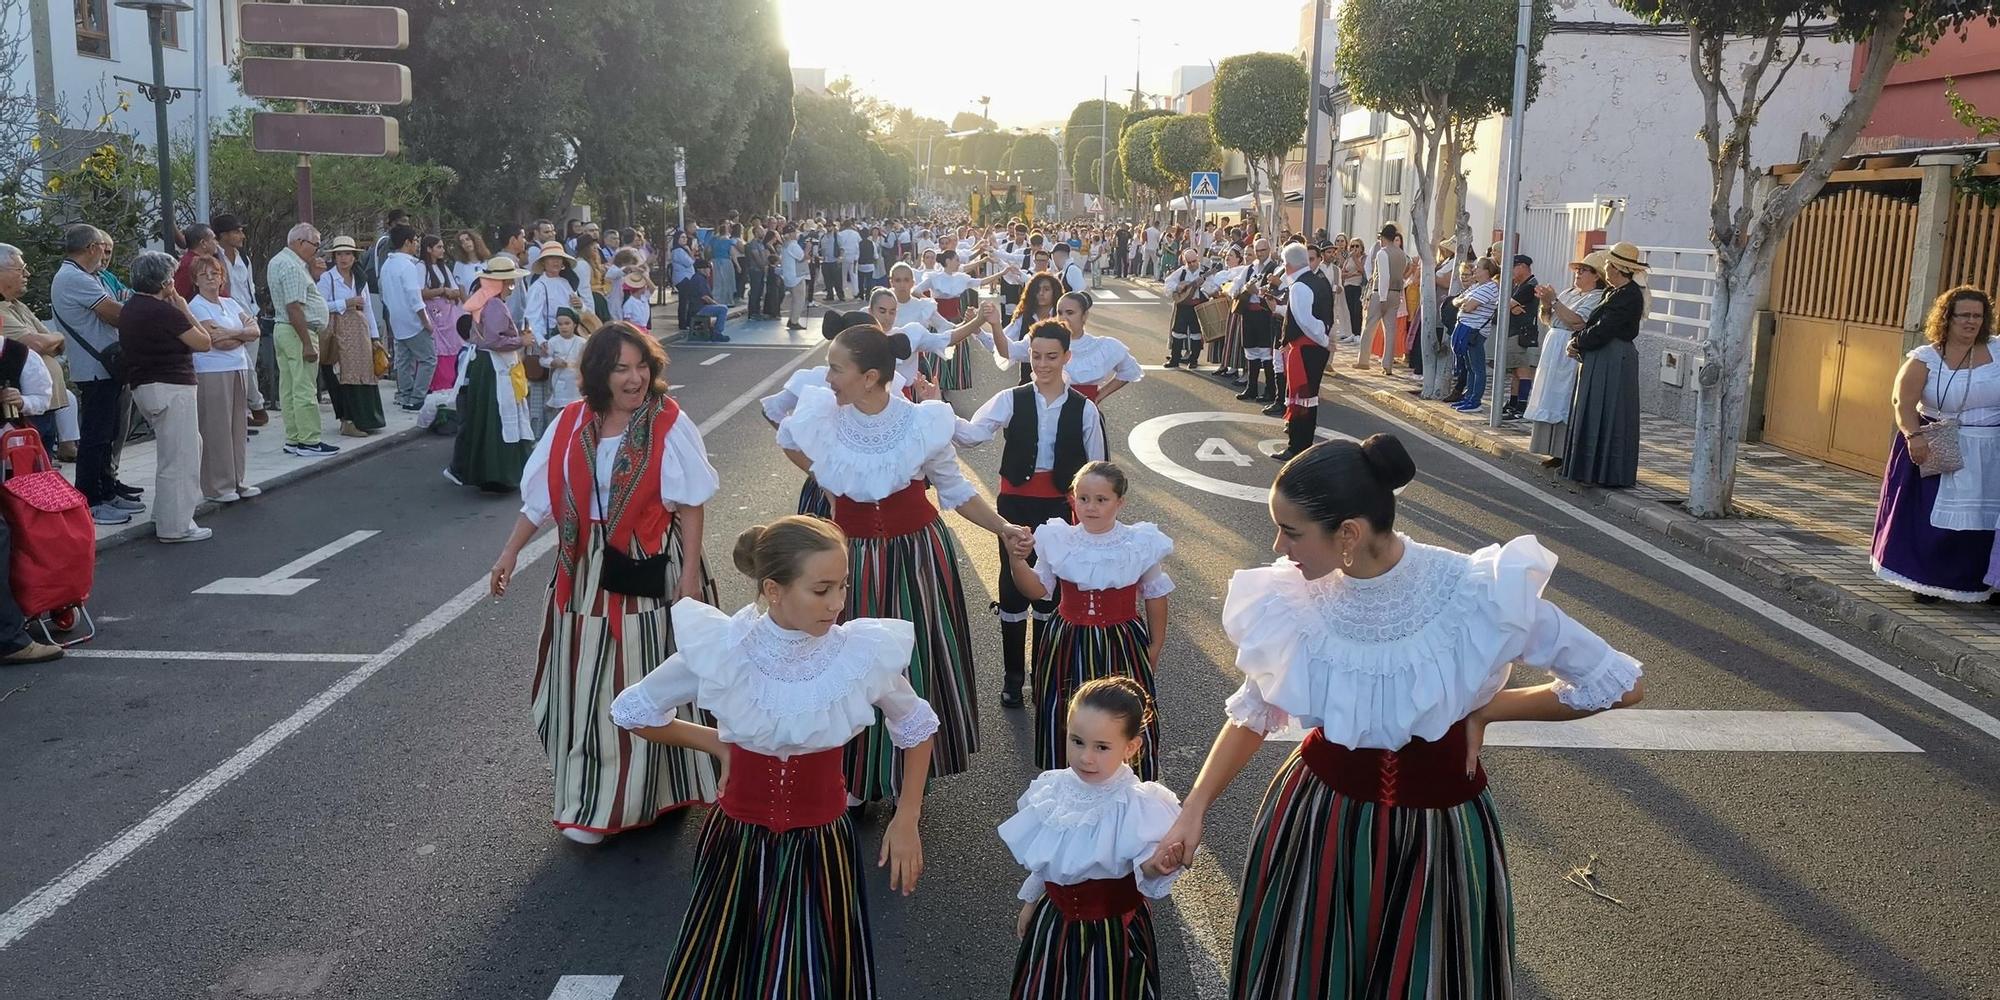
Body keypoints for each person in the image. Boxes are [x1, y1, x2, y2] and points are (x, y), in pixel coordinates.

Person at [1151, 435, 1645, 997]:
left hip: (1437, 840)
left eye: (1291, 531)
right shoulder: (1294, 599)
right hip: (1319, 826)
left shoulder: (1477, 590)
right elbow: (1255, 709)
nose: (1279, 545)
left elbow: (1620, 685)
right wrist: (1194, 808)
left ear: (1349, 534)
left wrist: (1485, 710)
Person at [608, 517, 935, 997]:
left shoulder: (857, 654)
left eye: (842, 586)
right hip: (736, 843)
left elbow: (917, 728)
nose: (838, 603)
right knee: (724, 967)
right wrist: (719, 743)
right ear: (773, 590)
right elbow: (633, 709)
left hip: (822, 846)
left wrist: (907, 819)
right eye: (821, 589)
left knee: (811, 974)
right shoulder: (726, 649)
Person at [776, 324, 1031, 803]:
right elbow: (790, 441)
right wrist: (832, 486)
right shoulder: (823, 417)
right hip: (849, 557)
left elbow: (956, 491)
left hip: (915, 555)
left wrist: (1004, 528)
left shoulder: (921, 422)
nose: (827, 376)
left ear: (869, 376)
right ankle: (850, 772)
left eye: (836, 367)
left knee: (910, 661)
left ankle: (900, 772)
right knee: (841, 660)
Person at [491, 321, 720, 845]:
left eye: (642, 366)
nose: (635, 378)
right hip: (585, 564)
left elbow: (690, 502)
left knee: (649, 671)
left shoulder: (667, 421)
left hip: (651, 556)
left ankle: (659, 787)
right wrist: (509, 552)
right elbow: (542, 499)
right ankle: (599, 800)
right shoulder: (573, 422)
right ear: (599, 373)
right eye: (621, 368)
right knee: (590, 681)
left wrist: (688, 577)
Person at [952, 320, 1109, 709]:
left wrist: (1094, 518)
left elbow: (1098, 468)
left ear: (1066, 357)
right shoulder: (1012, 398)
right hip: (1016, 503)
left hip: (1059, 506)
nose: (1042, 364)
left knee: (1049, 586)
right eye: (1036, 356)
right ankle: (1012, 677)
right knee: (1012, 580)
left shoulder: (1084, 409)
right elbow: (972, 435)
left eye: (1051, 356)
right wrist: (937, 407)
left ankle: (1043, 675)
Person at [999, 677, 1183, 1000]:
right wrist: (1031, 902)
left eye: (1102, 747)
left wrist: (1158, 865)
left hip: (1112, 934)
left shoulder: (1137, 804)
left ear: (1131, 747)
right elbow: (1050, 856)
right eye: (1077, 741)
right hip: (1054, 924)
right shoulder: (1054, 789)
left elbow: (1145, 867)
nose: (1086, 757)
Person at [1004, 460, 1170, 779]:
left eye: (1101, 500)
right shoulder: (1059, 538)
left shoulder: (1139, 542)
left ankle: (1127, 783)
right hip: (1068, 638)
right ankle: (1069, 779)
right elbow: (1038, 591)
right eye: (1083, 498)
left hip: (1122, 640)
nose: (1090, 507)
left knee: (1123, 711)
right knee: (1066, 709)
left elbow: (1155, 595)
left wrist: (1155, 646)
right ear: (1072, 499)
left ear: (1120, 502)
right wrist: (1016, 561)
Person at [1874, 286, 2000, 603]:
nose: (1971, 322)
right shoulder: (1926, 359)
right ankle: (1930, 582)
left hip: (1991, 447)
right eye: (1964, 316)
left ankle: (1987, 583)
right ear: (1947, 318)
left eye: (1977, 316)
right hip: (1938, 444)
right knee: (1936, 521)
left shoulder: (1998, 352)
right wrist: (1914, 437)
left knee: (1986, 521)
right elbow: (1902, 403)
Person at [53, 225, 146, 522]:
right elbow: (116, 313)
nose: (104, 255)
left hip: (105, 369)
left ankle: (106, 491)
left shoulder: (83, 276)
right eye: (101, 249)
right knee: (96, 435)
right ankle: (90, 498)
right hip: (95, 369)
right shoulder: (73, 278)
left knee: (108, 434)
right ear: (92, 247)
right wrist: (147, 313)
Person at [120, 250, 213, 543]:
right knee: (181, 458)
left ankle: (164, 513)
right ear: (164, 283)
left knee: (177, 451)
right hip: (172, 386)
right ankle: (176, 526)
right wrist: (184, 307)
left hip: (145, 386)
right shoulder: (165, 312)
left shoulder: (131, 308)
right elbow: (203, 342)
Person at [447, 256, 537, 493]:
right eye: (509, 282)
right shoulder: (495, 304)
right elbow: (495, 339)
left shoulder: (482, 300)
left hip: (484, 365)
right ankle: (501, 472)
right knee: (499, 418)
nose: (512, 286)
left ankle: (484, 471)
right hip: (495, 366)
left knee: (486, 418)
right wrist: (522, 340)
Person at [1563, 243, 1648, 487]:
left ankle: (1607, 472)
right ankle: (1590, 469)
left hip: (1613, 357)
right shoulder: (1614, 292)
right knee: (1595, 409)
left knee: (1609, 411)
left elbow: (1605, 329)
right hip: (1603, 354)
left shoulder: (1629, 295)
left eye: (1609, 266)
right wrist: (1578, 341)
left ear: (1619, 269)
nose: (1606, 270)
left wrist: (1578, 342)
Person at [186, 256, 261, 504]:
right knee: (216, 428)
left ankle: (238, 479)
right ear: (195, 280)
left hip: (238, 367)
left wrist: (232, 333)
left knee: (237, 428)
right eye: (204, 274)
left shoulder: (230, 303)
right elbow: (218, 340)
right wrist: (240, 335)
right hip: (211, 371)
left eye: (215, 273)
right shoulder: (196, 306)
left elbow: (254, 331)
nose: (211, 278)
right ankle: (217, 485)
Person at [1525, 252, 1610, 463]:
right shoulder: (1569, 292)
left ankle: (1565, 451)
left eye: (1584, 270)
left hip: (1569, 347)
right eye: (1577, 270)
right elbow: (1547, 318)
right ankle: (1549, 447)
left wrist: (1554, 301)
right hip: (1553, 345)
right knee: (1549, 392)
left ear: (1596, 276)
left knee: (1565, 396)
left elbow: (1577, 322)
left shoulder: (1595, 297)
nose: (1578, 274)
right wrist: (1546, 304)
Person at [268, 224, 339, 458]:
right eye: (315, 245)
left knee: (289, 387)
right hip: (299, 332)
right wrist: (307, 343)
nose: (316, 250)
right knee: (304, 388)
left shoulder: (283, 262)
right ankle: (309, 440)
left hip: (286, 330)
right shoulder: (291, 266)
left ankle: (294, 438)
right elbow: (294, 307)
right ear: (300, 242)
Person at [997, 292, 1141, 406]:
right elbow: (1007, 352)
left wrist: (1099, 395)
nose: (1064, 318)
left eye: (1070, 313)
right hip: (1044, 411)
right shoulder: (1042, 340)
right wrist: (993, 325)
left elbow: (1129, 370)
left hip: (1084, 415)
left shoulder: (1103, 346)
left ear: (1084, 316)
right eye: (1060, 313)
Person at [316, 236, 388, 439]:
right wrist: (346, 302)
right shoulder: (328, 278)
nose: (343, 258)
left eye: (347, 253)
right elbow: (320, 306)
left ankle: (366, 418)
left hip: (359, 333)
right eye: (339, 254)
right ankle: (347, 420)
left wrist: (374, 337)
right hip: (338, 333)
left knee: (363, 373)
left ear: (354, 257)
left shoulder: (360, 278)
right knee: (342, 376)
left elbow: (369, 311)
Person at [1272, 243, 1334, 461]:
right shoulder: (1320, 280)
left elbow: (1306, 321)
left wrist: (1324, 339)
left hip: (1307, 348)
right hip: (1314, 348)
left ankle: (1297, 446)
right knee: (1308, 398)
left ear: (1288, 265)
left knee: (1301, 398)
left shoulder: (1300, 286)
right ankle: (1302, 443)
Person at [211, 215, 269, 428]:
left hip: (248, 317)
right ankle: (257, 407)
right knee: (243, 366)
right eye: (237, 231)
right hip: (227, 319)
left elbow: (249, 287)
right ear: (224, 235)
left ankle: (243, 413)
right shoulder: (215, 256)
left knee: (247, 367)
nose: (241, 235)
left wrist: (254, 313)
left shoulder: (243, 257)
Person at [1449, 259, 1503, 413]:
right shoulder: (1476, 286)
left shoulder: (1490, 287)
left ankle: (1475, 400)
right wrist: (1464, 302)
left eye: (1478, 267)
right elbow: (1456, 301)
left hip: (1475, 331)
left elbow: (1469, 306)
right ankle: (1468, 396)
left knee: (1477, 367)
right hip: (1464, 327)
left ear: (1487, 271)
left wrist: (1465, 303)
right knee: (1468, 366)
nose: (1474, 270)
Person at [422, 235, 469, 393]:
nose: (442, 250)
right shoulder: (421, 268)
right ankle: (437, 383)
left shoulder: (444, 268)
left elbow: (455, 289)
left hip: (449, 315)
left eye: (443, 247)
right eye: (439, 247)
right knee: (438, 347)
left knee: (453, 345)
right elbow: (419, 293)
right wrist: (442, 291)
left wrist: (452, 293)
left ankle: (451, 381)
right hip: (434, 313)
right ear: (429, 249)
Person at [1500, 254, 1541, 419]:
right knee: (1515, 371)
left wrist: (1510, 305)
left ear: (1523, 267)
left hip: (1521, 334)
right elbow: (1505, 303)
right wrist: (1510, 305)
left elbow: (1505, 303)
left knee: (1522, 370)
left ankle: (1521, 405)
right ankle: (1513, 402)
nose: (1511, 271)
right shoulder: (1518, 285)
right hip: (1514, 332)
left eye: (1514, 267)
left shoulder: (1529, 286)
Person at [1163, 250, 1207, 370]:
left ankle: (1193, 360)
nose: (1192, 264)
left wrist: (1203, 285)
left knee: (1196, 333)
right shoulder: (1181, 271)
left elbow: (1213, 288)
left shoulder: (1205, 271)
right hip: (1182, 305)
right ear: (1184, 261)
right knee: (1177, 332)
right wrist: (1178, 286)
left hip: (1197, 306)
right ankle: (1174, 359)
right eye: (1189, 262)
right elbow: (1168, 283)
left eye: (1194, 261)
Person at [542, 308, 588, 413]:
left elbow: (588, 360)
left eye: (567, 323)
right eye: (560, 324)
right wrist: (553, 362)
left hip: (576, 384)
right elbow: (543, 360)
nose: (564, 327)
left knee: (577, 410)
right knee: (561, 413)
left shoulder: (582, 342)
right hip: (560, 384)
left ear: (574, 325)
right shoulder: (553, 342)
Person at [684, 260, 732, 343]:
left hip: (698, 307)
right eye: (708, 268)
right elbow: (705, 297)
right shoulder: (699, 279)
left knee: (721, 308)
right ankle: (717, 333)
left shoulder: (698, 278)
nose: (709, 270)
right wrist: (716, 305)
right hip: (699, 308)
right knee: (723, 309)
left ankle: (714, 330)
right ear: (701, 269)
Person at [780, 224, 810, 330]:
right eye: (794, 232)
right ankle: (794, 321)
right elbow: (802, 257)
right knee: (799, 300)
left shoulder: (785, 245)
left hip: (789, 275)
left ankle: (792, 319)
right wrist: (808, 248)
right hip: (796, 276)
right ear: (792, 234)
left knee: (795, 299)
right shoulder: (793, 245)